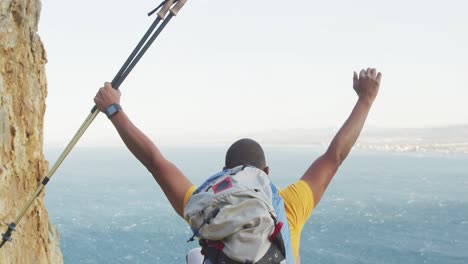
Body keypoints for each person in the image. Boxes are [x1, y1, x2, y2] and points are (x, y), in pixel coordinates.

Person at [94, 68, 382, 263]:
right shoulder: (290, 206)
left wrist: (113, 109)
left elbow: (155, 163)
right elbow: (335, 156)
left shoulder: (206, 204)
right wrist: (366, 99)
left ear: (224, 173)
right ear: (265, 173)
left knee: (195, 255)